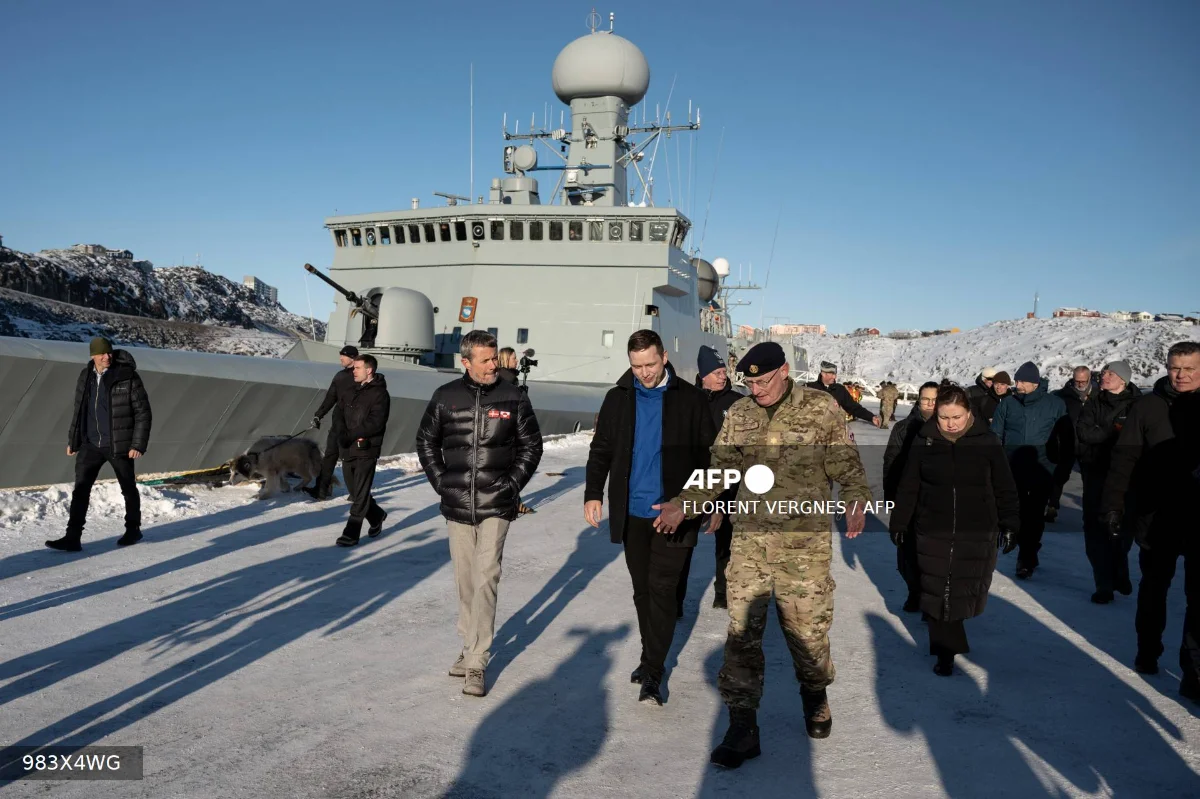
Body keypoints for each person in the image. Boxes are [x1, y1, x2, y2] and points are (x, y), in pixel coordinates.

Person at [656, 341, 871, 767]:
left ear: (785, 371)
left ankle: (815, 694)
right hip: (750, 544)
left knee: (808, 633)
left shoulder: (821, 408)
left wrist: (856, 499)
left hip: (804, 546)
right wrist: (685, 503)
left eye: (764, 382)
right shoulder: (740, 414)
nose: (756, 390)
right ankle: (742, 726)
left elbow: (846, 464)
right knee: (741, 634)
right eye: (750, 383)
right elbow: (719, 471)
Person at [584, 330, 715, 706]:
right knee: (642, 590)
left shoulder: (691, 400)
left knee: (662, 590)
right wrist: (594, 492)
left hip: (675, 512)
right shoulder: (618, 398)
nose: (644, 373)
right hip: (632, 513)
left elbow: (713, 459)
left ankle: (654, 670)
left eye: (650, 364)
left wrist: (699, 506)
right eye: (636, 366)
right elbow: (601, 449)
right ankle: (650, 657)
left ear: (665, 357)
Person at [417, 330, 543, 698]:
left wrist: (511, 485)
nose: (493, 365)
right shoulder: (445, 396)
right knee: (465, 580)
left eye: (494, 358)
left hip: (497, 503)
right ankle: (468, 643)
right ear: (466, 362)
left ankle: (476, 660)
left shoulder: (513, 396)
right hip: (457, 502)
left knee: (487, 575)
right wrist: (442, 482)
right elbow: (426, 442)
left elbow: (531, 446)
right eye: (486, 360)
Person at [888, 384, 1020, 676]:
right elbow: (909, 486)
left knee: (960, 588)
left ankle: (949, 634)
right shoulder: (924, 441)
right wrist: (899, 522)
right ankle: (945, 651)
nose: (950, 423)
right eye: (944, 417)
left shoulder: (987, 441)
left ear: (969, 413)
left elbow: (1005, 486)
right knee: (937, 587)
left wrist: (1010, 523)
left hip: (976, 530)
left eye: (956, 417)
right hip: (932, 527)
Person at [1101, 341, 1200, 700]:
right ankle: (1148, 651)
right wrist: (1113, 504)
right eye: (1175, 367)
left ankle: (1193, 673)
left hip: (1198, 517)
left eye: (1189, 368)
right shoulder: (1147, 406)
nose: (1181, 375)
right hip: (1156, 516)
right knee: (1154, 588)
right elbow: (1123, 459)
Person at [47, 337, 152, 552]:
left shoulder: (127, 376)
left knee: (128, 488)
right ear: (93, 355)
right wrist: (74, 440)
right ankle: (72, 537)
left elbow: (143, 412)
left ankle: (133, 529)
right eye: (102, 353)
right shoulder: (85, 375)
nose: (107, 357)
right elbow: (79, 410)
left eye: (109, 352)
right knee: (80, 490)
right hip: (90, 444)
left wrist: (137, 444)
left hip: (118, 444)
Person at [990, 361, 1072, 579]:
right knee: (1014, 511)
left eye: (1022, 381)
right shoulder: (1008, 404)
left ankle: (1027, 558)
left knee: (1034, 516)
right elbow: (995, 435)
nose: (1017, 385)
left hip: (1041, 469)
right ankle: (1018, 541)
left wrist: (1062, 468)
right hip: (1011, 468)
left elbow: (1066, 440)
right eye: (1016, 380)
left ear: (1035, 383)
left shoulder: (1055, 404)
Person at [682, 344, 744, 612]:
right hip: (694, 480)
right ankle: (676, 600)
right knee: (683, 542)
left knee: (725, 542)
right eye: (717, 372)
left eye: (724, 371)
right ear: (703, 374)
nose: (723, 376)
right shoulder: (688, 399)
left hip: (728, 480)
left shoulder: (737, 402)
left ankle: (723, 593)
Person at [1075, 360, 1140, 603]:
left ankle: (1119, 569)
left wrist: (1105, 432)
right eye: (1104, 372)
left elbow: (1139, 436)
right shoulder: (1094, 402)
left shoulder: (1137, 405)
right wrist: (1113, 431)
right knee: (1094, 529)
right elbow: (1084, 432)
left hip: (1127, 475)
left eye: (1110, 373)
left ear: (1123, 379)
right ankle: (1103, 584)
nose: (1104, 376)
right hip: (1096, 472)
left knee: (1122, 527)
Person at [883, 381, 939, 611]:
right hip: (907, 499)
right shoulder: (903, 428)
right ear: (918, 401)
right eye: (925, 399)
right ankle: (914, 590)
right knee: (906, 552)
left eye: (935, 400)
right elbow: (891, 462)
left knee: (934, 552)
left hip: (936, 502)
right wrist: (890, 495)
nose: (930, 404)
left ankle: (930, 597)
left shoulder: (948, 428)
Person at [334, 355, 390, 548]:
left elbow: (376, 423)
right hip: (347, 446)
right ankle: (376, 515)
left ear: (369, 370)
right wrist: (341, 432)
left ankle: (351, 531)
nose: (353, 371)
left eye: (357, 368)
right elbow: (339, 412)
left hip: (367, 448)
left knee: (361, 491)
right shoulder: (351, 390)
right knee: (354, 490)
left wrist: (352, 434)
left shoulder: (380, 394)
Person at [306, 345, 359, 500]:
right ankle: (321, 490)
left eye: (343, 356)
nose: (341, 358)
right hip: (339, 422)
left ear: (353, 357)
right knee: (331, 456)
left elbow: (333, 397)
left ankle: (355, 493)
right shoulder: (342, 376)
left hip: (353, 424)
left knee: (347, 458)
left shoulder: (354, 376)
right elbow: (331, 398)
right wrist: (318, 415)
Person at [1046, 366, 1094, 522]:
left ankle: (1090, 511)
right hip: (1067, 442)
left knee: (1090, 480)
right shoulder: (1063, 396)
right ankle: (1052, 506)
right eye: (1077, 381)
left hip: (1089, 445)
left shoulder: (1098, 395)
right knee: (1059, 476)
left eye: (1083, 381)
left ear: (1089, 378)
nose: (1080, 384)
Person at [807, 361, 880, 427]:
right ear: (823, 374)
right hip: (811, 430)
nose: (834, 377)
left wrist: (871, 417)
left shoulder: (839, 390)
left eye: (835, 374)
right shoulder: (809, 388)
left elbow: (854, 407)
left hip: (832, 430)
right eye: (831, 374)